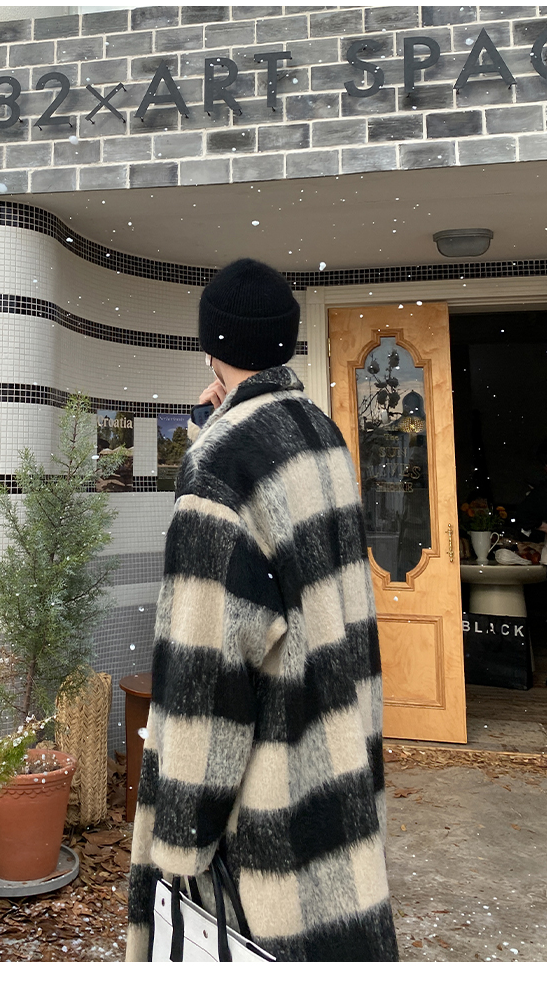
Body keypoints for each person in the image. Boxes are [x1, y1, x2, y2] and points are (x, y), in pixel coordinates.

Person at [126, 257, 398, 962]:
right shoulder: (320, 435)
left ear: (209, 344)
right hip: (333, 770)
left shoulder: (221, 469)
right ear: (285, 340)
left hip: (263, 817)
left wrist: (180, 842)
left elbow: (206, 671)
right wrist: (213, 426)